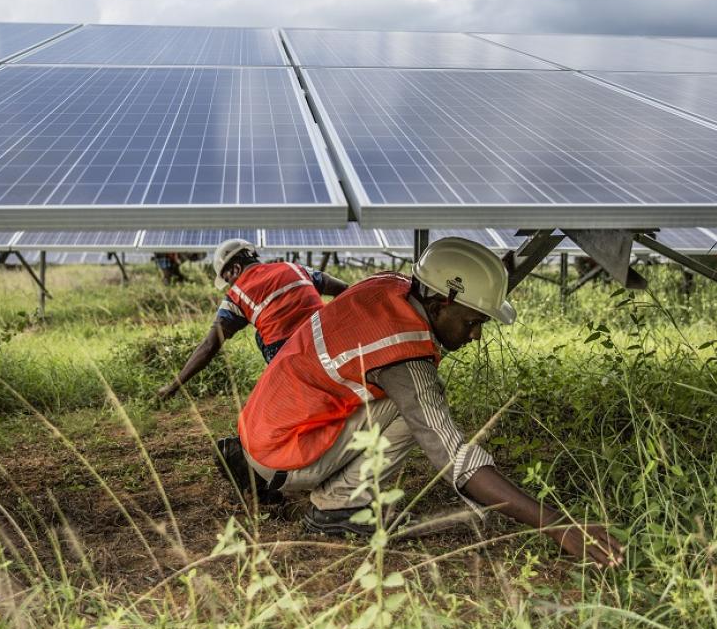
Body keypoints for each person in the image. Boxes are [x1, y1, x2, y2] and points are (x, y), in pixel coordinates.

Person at [223, 237, 624, 568]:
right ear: (438, 305)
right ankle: (340, 507)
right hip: (281, 454)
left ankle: (258, 467)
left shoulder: (390, 286)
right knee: (416, 407)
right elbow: (455, 458)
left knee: (409, 400)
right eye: (473, 322)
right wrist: (558, 525)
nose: (475, 336)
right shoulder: (402, 357)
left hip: (261, 431)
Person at [156, 238, 349, 401]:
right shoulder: (295, 268)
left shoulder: (236, 295)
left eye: (227, 278)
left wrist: (173, 386)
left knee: (260, 337)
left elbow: (209, 346)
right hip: (329, 344)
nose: (229, 285)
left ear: (236, 268)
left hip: (291, 357)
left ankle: (290, 386)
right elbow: (343, 289)